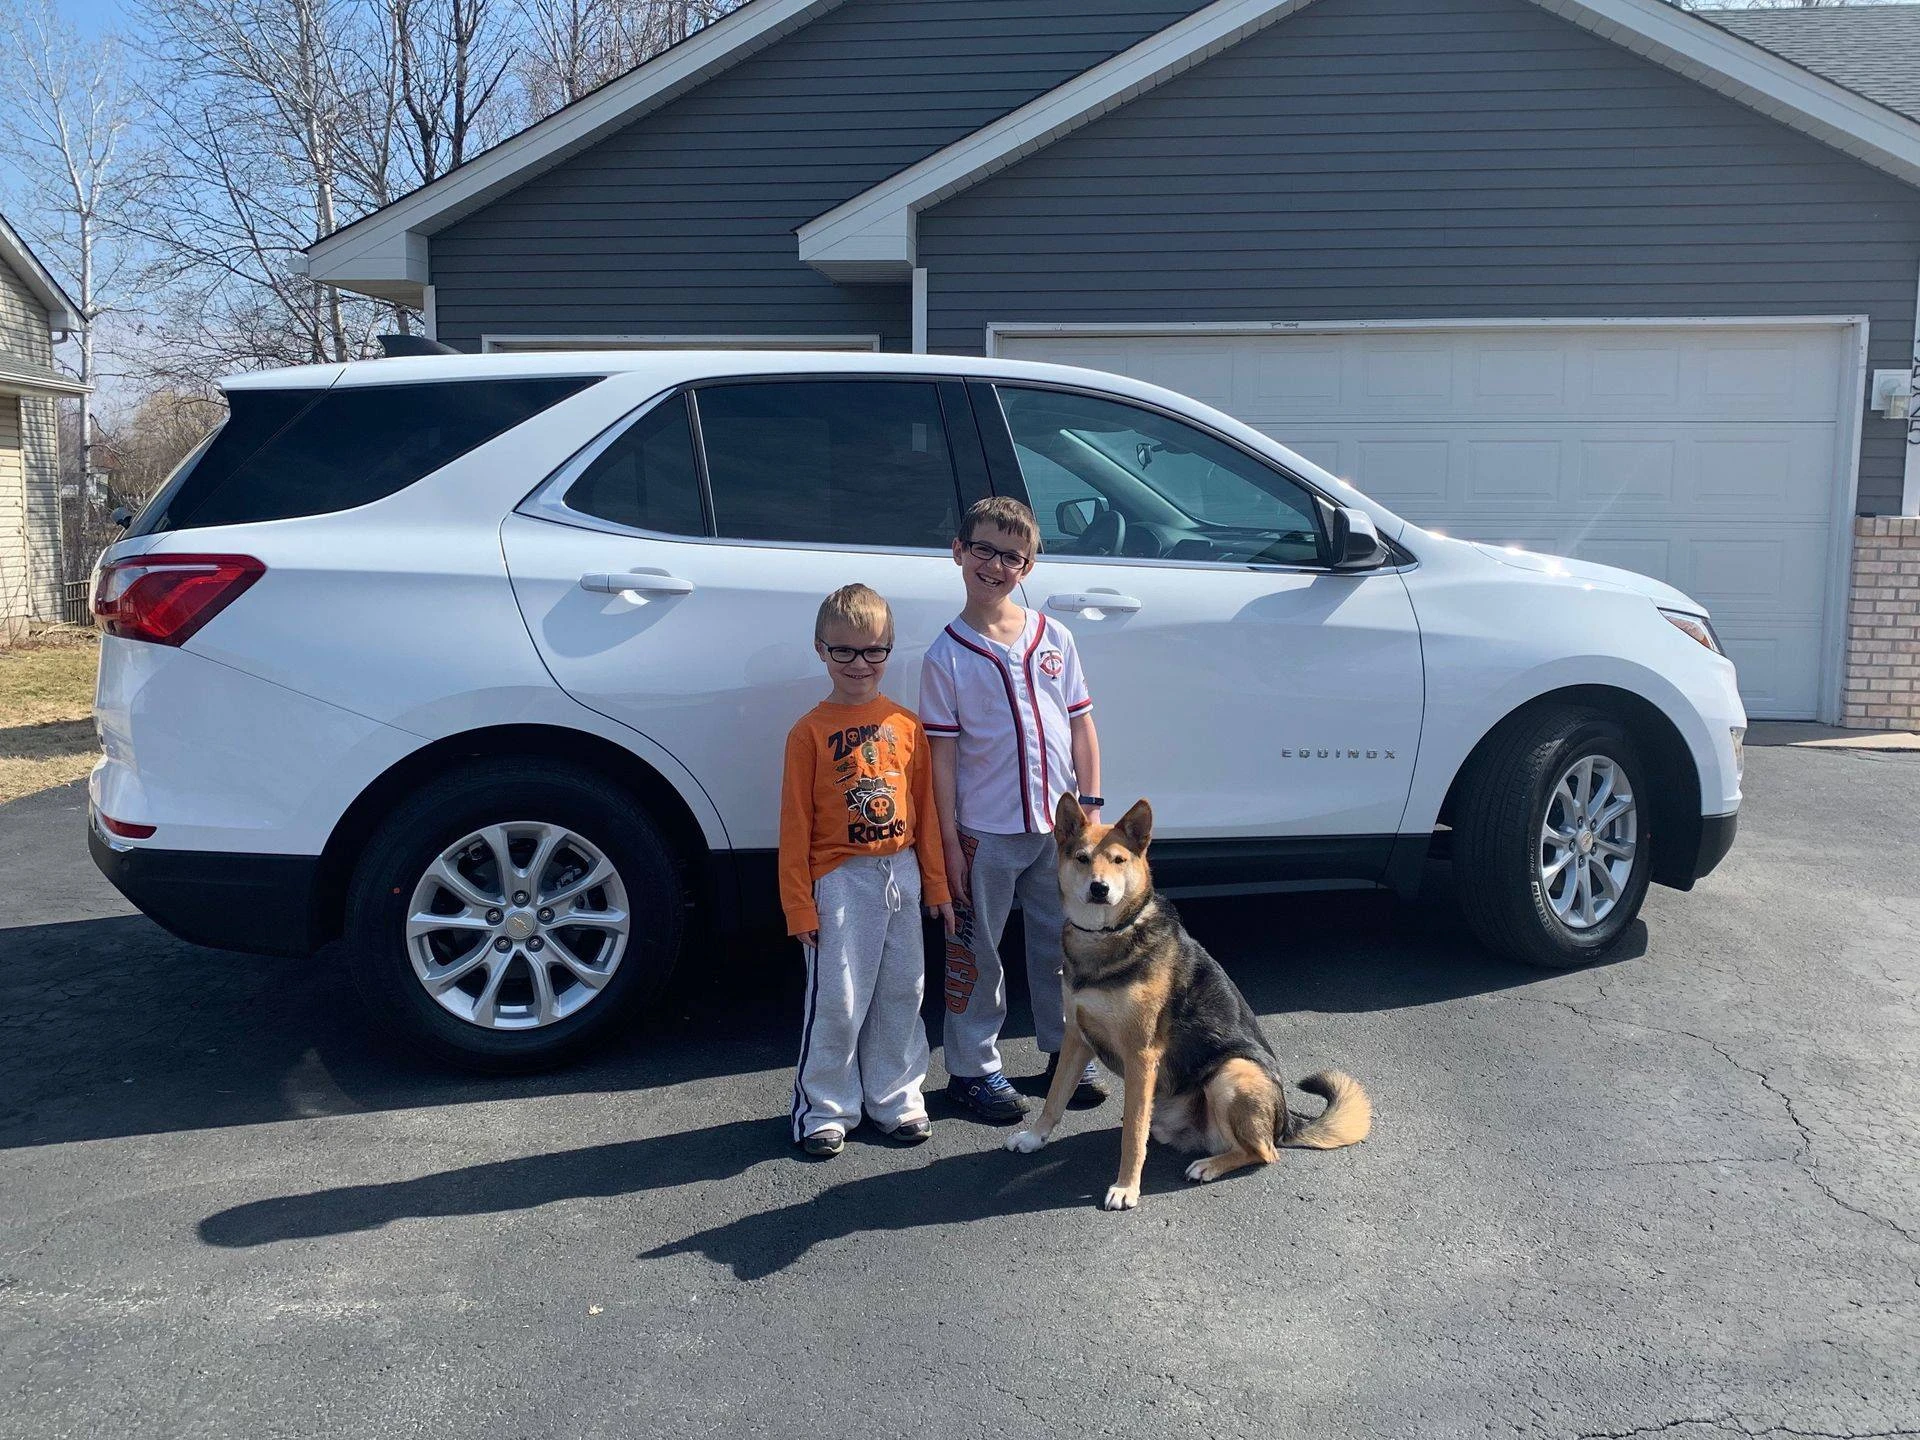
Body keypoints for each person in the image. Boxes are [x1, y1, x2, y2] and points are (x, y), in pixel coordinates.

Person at [920, 496, 1109, 1123]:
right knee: (977, 951)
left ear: (1028, 566)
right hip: (985, 833)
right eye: (984, 550)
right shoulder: (946, 655)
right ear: (959, 551)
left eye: (1012, 556)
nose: (996, 566)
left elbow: (1080, 726)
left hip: (1059, 834)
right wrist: (949, 841)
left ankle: (1065, 1054)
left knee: (1061, 946)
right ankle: (972, 1069)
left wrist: (1091, 810)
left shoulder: (1055, 637)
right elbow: (943, 757)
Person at [780, 584, 954, 1157]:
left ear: (889, 650)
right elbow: (795, 826)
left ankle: (895, 1098)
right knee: (839, 999)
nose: (860, 664)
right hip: (839, 881)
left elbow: (926, 812)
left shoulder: (906, 725)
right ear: (821, 650)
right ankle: (824, 1108)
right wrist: (799, 905)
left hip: (900, 874)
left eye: (874, 651)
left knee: (903, 991)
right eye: (844, 651)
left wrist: (935, 885)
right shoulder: (808, 733)